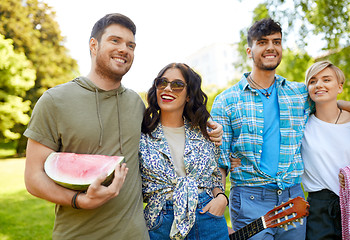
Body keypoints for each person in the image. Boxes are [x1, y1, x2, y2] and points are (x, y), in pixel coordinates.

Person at [23, 13, 223, 240]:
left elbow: (175, 122)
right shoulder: (54, 100)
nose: (124, 49)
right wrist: (79, 200)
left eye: (131, 45)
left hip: (136, 234)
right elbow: (33, 178)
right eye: (115, 41)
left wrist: (210, 125)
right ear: (93, 45)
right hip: (78, 234)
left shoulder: (136, 105)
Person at [211, 18, 309, 239]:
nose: (271, 47)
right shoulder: (227, 100)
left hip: (292, 198)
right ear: (249, 50)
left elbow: (329, 101)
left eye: (277, 41)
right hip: (249, 200)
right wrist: (219, 195)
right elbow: (219, 159)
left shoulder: (299, 94)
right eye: (263, 42)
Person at [139, 63, 229, 240]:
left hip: (207, 216)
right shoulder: (141, 135)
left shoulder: (206, 132)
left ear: (189, 95)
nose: (168, 89)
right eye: (162, 82)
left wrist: (221, 199)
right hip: (160, 221)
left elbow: (215, 178)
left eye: (177, 85)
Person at [301, 60, 350, 240]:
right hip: (319, 212)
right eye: (313, 81)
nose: (319, 84)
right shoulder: (301, 126)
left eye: (326, 80)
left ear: (339, 87)